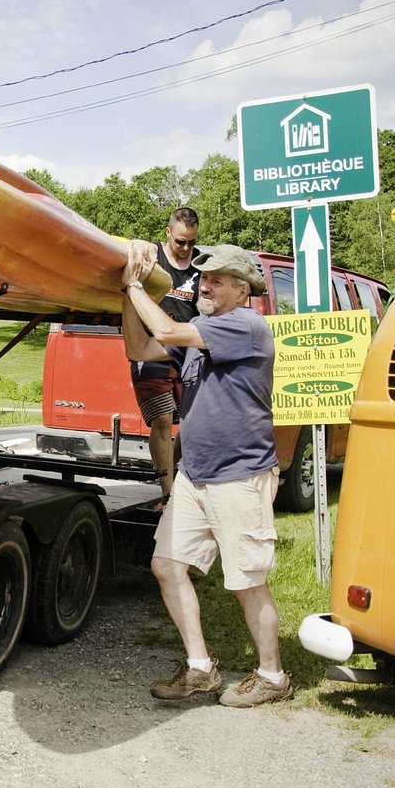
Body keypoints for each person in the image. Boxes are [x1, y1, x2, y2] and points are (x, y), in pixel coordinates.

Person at [121, 241, 291, 708]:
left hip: (239, 475)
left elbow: (167, 329)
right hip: (195, 475)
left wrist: (136, 284)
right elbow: (139, 345)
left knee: (246, 581)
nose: (204, 285)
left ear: (241, 289)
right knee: (167, 565)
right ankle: (200, 669)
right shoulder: (204, 332)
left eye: (215, 280)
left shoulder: (246, 325)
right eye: (203, 278)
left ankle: (273, 675)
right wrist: (124, 297)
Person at [124, 207, 201, 506]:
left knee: (192, 420)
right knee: (162, 421)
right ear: (168, 233)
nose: (185, 248)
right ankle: (167, 492)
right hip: (151, 349)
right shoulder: (152, 255)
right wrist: (137, 245)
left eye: (191, 243)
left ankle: (177, 475)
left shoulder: (199, 267)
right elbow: (130, 247)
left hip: (185, 351)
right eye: (180, 241)